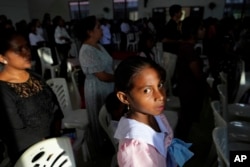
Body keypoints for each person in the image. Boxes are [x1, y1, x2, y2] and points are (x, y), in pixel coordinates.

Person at [114, 56, 193, 167]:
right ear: (124, 98)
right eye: (147, 90)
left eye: (160, 85)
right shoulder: (136, 149)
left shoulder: (155, 115)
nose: (160, 96)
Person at [0, 32, 63, 164]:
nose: (27, 52)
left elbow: (55, 107)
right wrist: (45, 147)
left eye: (27, 47)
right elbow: (16, 131)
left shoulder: (35, 76)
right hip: (29, 155)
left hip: (54, 145)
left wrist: (55, 138)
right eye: (19, 49)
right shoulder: (3, 89)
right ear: (2, 58)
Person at [75, 15, 114, 147]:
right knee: (100, 116)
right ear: (89, 32)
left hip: (108, 86)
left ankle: (110, 140)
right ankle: (102, 144)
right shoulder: (87, 50)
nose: (101, 29)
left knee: (108, 115)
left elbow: (108, 65)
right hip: (98, 88)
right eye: (98, 27)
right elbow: (102, 76)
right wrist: (120, 77)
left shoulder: (98, 46)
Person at [174, 16, 207, 141]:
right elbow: (197, 74)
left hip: (186, 89)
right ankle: (179, 151)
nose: (204, 30)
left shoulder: (186, 47)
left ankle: (180, 147)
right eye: (201, 28)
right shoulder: (188, 50)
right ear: (193, 31)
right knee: (185, 122)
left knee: (185, 122)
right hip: (189, 90)